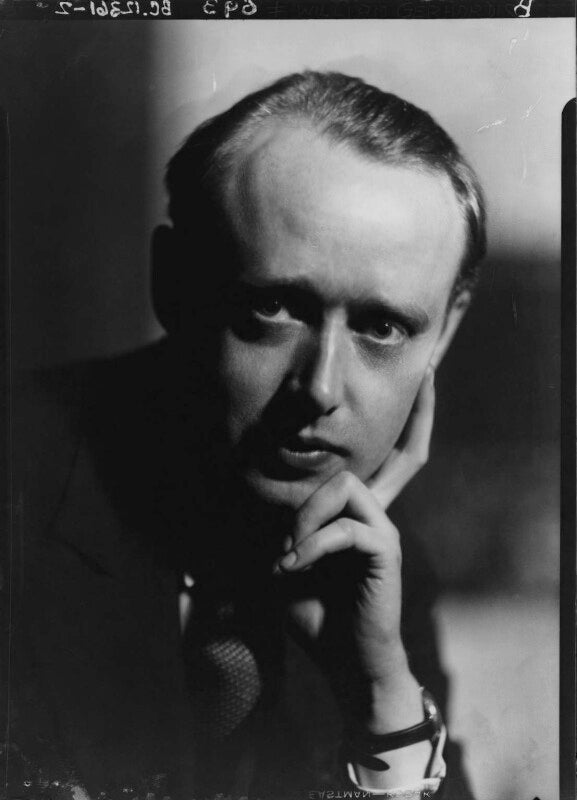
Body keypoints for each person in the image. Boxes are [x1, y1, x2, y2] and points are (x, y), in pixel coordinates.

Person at [10, 71, 485, 800]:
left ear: (443, 335)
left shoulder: (373, 566)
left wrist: (378, 694)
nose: (320, 389)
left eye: (383, 327)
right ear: (172, 284)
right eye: (274, 307)